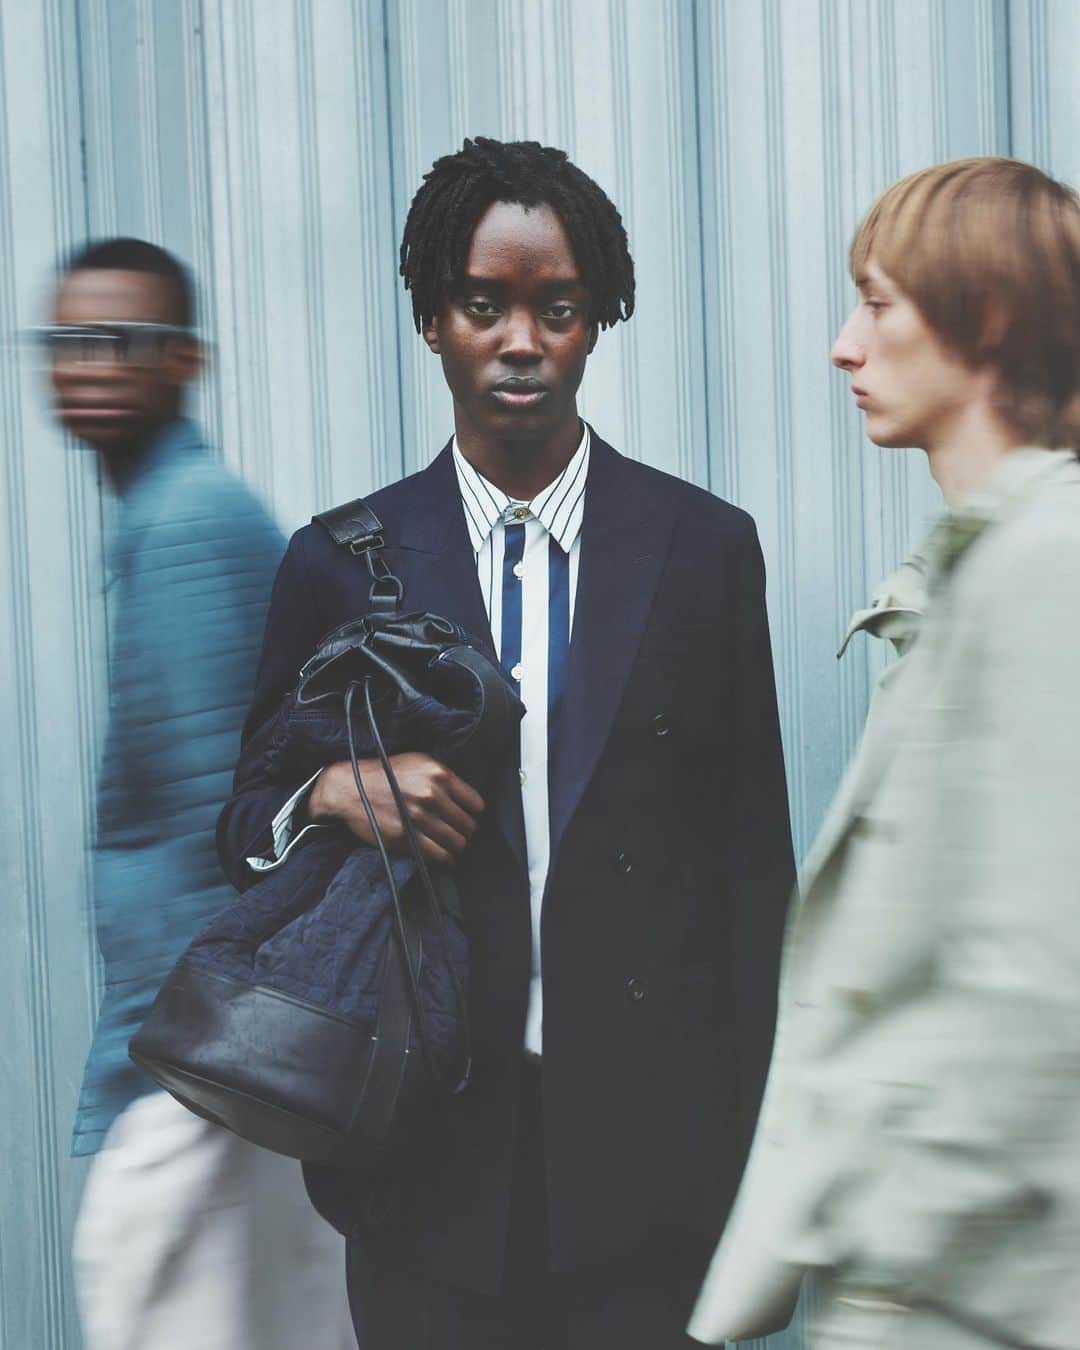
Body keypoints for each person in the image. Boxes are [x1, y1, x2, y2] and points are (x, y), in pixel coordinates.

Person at [218, 137, 795, 1349]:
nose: (522, 340)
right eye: (486, 305)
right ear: (434, 317)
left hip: (654, 1165)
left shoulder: (704, 551)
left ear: (598, 322)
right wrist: (333, 789)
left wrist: (763, 1157)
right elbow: (245, 823)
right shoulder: (343, 560)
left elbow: (756, 876)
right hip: (423, 1167)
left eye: (560, 308)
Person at [689, 157, 1080, 1349]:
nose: (842, 346)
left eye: (878, 302)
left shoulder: (1044, 567)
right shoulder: (972, 571)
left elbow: (1042, 983)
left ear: (992, 318)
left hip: (963, 1298)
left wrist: (894, 1254)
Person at [55, 238, 353, 1350]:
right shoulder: (175, 510)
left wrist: (179, 1070)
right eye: (66, 343)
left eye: (117, 341)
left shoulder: (184, 524)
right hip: (232, 1052)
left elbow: (212, 816)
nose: (86, 366)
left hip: (204, 1056)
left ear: (185, 360)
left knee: (149, 1291)